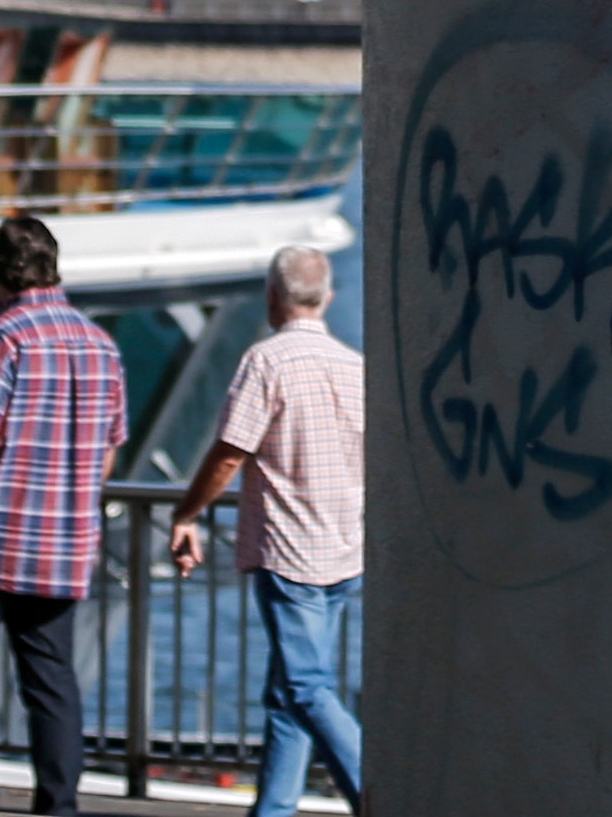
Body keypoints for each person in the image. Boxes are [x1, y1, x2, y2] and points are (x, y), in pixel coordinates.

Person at [0, 212, 129, 812]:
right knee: (50, 678)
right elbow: (110, 448)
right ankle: (59, 805)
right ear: (53, 266)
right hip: (66, 544)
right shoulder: (101, 344)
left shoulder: (2, 339)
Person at [168, 248, 364, 817]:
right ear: (328, 298)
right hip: (344, 549)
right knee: (287, 694)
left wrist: (187, 514)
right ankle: (273, 811)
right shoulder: (356, 367)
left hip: (290, 550)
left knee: (304, 687)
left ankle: (376, 790)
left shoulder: (266, 361)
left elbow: (230, 454)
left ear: (272, 296)